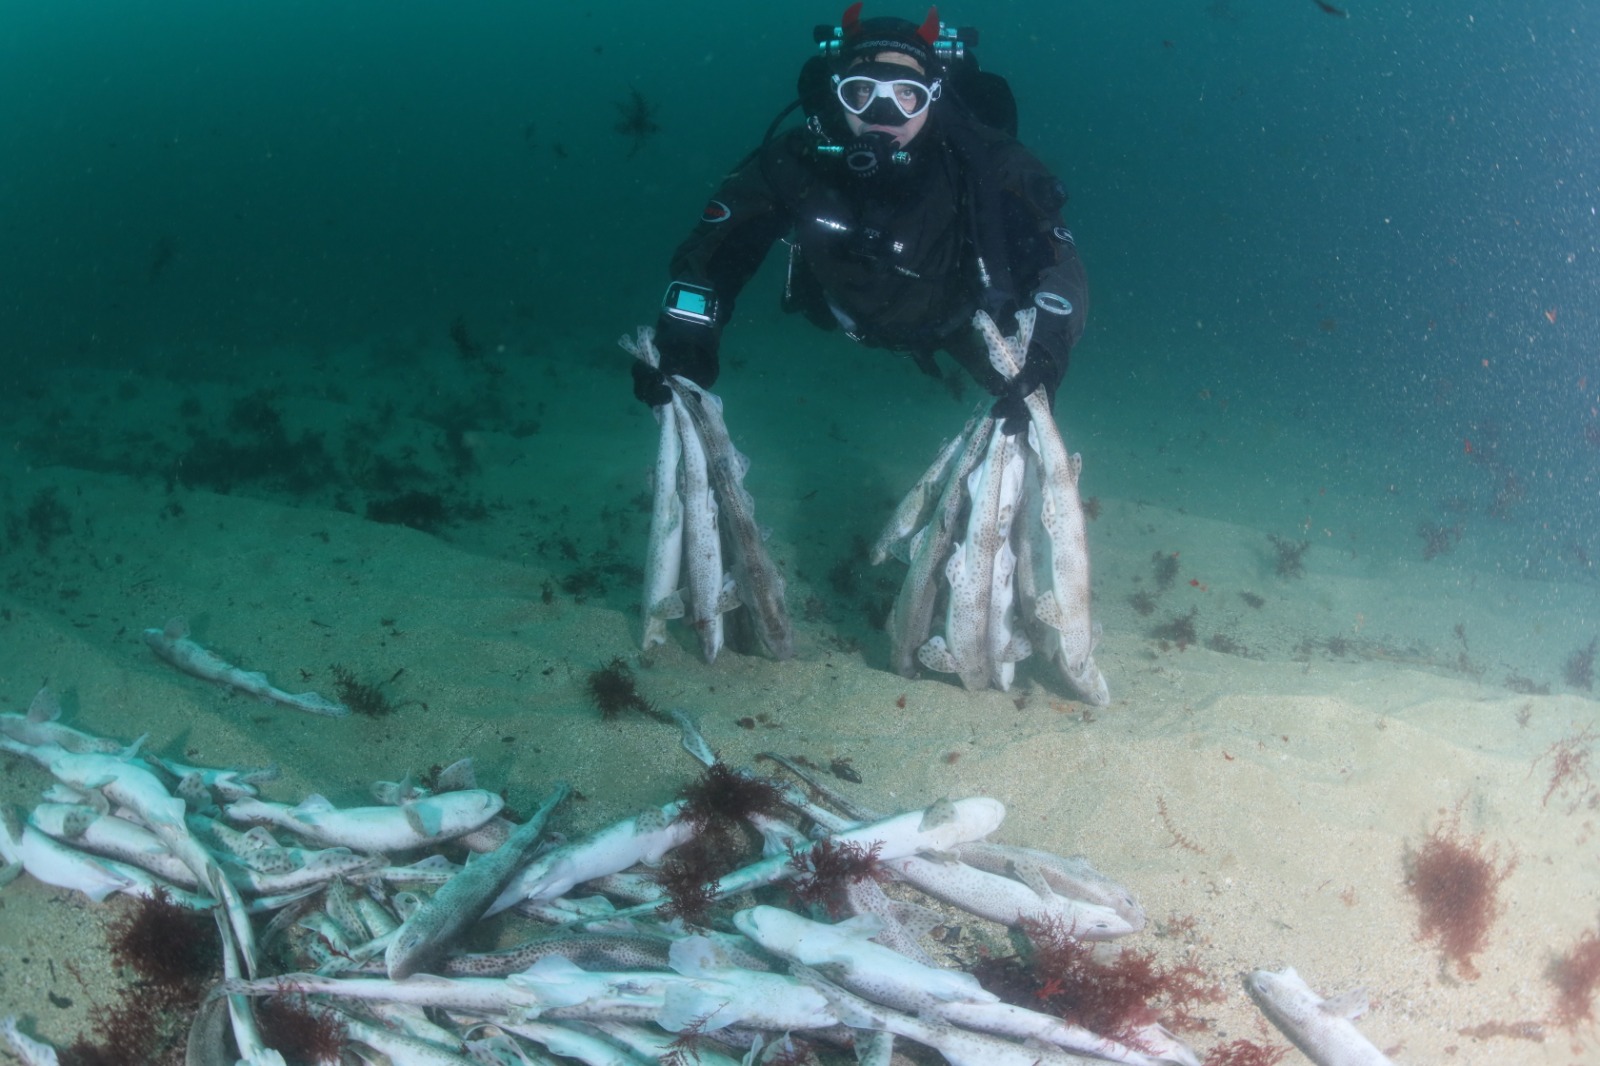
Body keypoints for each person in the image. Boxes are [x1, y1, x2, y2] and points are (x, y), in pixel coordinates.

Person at [632, 3, 1087, 435]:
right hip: (846, 316)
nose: (883, 114)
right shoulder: (795, 160)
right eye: (862, 91)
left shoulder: (988, 163)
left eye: (906, 94)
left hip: (964, 323)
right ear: (838, 95)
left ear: (933, 96)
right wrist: (682, 345)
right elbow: (714, 255)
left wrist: (1046, 352)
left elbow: (1056, 264)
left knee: (1026, 404)